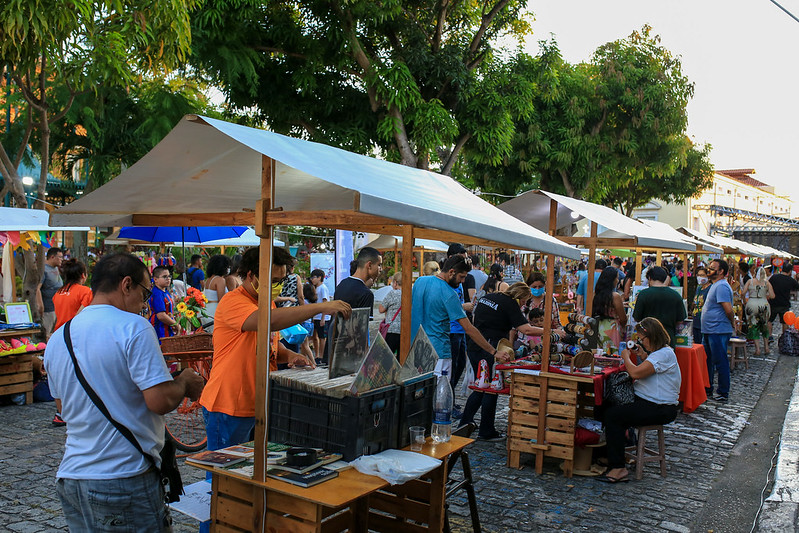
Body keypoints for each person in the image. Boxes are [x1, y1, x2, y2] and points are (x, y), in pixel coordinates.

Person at [44, 252, 205, 531]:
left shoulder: (60, 337)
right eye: (145, 293)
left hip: (72, 478)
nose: (145, 304)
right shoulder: (134, 327)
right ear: (126, 285)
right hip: (122, 476)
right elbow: (159, 400)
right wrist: (185, 383)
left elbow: (63, 405)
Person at [200, 247, 351, 452]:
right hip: (228, 405)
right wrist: (319, 307)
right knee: (224, 476)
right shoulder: (233, 301)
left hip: (260, 403)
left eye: (280, 281)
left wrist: (290, 355)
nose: (277, 286)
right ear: (252, 275)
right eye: (272, 281)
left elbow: (270, 345)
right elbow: (266, 323)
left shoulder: (267, 302)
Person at [459, 282, 563, 441]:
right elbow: (526, 329)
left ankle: (464, 423)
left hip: (476, 345)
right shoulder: (510, 304)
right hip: (492, 348)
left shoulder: (488, 297)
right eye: (524, 301)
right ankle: (486, 430)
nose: (523, 304)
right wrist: (550, 330)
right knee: (491, 388)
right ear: (519, 296)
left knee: (481, 386)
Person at [598, 317, 681, 483]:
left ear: (651, 337)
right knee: (605, 406)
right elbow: (649, 368)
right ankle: (611, 454)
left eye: (642, 339)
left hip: (659, 407)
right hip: (650, 403)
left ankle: (618, 467)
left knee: (614, 416)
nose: (641, 342)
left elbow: (635, 373)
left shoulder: (664, 355)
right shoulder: (661, 353)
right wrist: (643, 355)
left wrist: (626, 357)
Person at [410, 255, 497, 376]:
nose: (463, 281)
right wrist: (493, 351)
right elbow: (469, 329)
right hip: (439, 353)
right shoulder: (449, 294)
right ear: (451, 272)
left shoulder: (420, 281)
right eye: (462, 277)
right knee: (440, 393)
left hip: (416, 349)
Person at [51, 259, 93, 427]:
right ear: (83, 275)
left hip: (58, 337)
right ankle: (76, 410)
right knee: (79, 374)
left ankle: (61, 411)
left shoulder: (58, 293)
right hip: (75, 337)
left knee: (62, 375)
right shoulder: (85, 291)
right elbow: (83, 314)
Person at [702, 259, 735, 402]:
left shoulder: (721, 286)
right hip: (711, 329)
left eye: (712, 268)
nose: (709, 270)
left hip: (718, 329)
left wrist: (732, 321)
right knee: (708, 360)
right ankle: (708, 387)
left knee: (720, 361)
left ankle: (722, 392)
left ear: (721, 271)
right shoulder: (715, 285)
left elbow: (728, 309)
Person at [632, 266, 687, 349]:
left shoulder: (643, 294)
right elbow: (680, 320)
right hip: (668, 338)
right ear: (665, 278)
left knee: (646, 361)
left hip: (647, 339)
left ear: (649, 278)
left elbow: (637, 318)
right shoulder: (675, 295)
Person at [516, 271, 561, 349]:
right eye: (534, 287)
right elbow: (514, 327)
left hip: (545, 342)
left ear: (545, 285)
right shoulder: (523, 300)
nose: (537, 289)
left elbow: (557, 323)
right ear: (528, 287)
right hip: (524, 342)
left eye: (540, 286)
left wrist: (559, 333)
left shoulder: (551, 300)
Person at [334, 246, 382, 316]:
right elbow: (363, 325)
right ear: (369, 265)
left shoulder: (342, 284)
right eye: (379, 265)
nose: (381, 269)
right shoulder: (366, 294)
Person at [592, 266, 627, 352]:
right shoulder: (615, 296)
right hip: (612, 329)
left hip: (599, 328)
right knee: (612, 356)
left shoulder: (596, 295)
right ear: (612, 280)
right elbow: (623, 319)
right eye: (617, 278)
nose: (618, 280)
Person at [743, 267, 774, 356]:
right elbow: (772, 296)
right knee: (764, 325)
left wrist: (745, 301)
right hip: (763, 303)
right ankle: (766, 348)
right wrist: (765, 293)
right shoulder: (767, 283)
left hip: (752, 303)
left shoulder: (750, 281)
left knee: (753, 325)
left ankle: (757, 349)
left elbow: (743, 293)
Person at [37, 247, 64, 340]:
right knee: (47, 334)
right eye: (60, 257)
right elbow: (37, 288)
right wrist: (40, 305)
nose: (62, 259)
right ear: (52, 257)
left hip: (58, 307)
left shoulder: (56, 268)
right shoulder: (44, 270)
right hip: (48, 308)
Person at [767, 262, 799, 339]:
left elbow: (768, 286)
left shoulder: (774, 277)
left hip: (773, 303)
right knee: (785, 322)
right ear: (790, 271)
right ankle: (785, 338)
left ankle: (769, 336)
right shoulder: (791, 280)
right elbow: (797, 287)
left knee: (769, 320)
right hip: (784, 304)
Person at [148, 266, 179, 340]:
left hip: (167, 328)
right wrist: (175, 324)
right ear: (155, 279)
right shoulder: (157, 294)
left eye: (169, 276)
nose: (168, 279)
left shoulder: (165, 291)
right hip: (159, 329)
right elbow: (161, 315)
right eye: (164, 277)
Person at [378, 272, 403, 355]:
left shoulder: (393, 293)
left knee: (387, 358)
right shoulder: (410, 294)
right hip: (404, 331)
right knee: (401, 359)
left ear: (395, 283)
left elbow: (381, 309)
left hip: (391, 330)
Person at [309, 269, 330, 361]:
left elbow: (325, 303)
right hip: (316, 316)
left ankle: (322, 356)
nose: (312, 280)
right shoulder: (315, 288)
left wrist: (323, 318)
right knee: (315, 336)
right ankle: (317, 355)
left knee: (322, 337)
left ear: (319, 278)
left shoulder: (323, 288)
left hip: (322, 317)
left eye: (314, 277)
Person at [202, 254, 232, 321]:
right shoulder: (220, 280)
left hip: (206, 311)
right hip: (215, 312)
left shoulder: (208, 280)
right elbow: (221, 300)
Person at [691, 266, 712, 345]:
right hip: (696, 320)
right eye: (698, 275)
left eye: (702, 275)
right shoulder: (699, 288)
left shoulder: (710, 288)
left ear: (708, 277)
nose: (699, 277)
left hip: (704, 322)